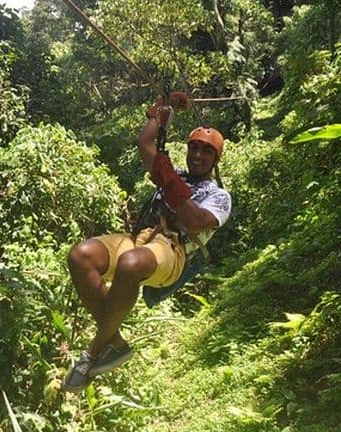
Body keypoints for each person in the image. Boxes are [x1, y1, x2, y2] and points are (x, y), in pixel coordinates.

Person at [62, 95, 232, 392]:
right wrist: (161, 111)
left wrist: (169, 182)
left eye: (207, 152)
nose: (198, 155)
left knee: (131, 263)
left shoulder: (219, 196)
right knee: (81, 255)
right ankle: (115, 343)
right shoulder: (174, 172)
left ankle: (91, 352)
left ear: (215, 159)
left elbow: (194, 221)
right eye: (194, 147)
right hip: (139, 238)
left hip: (172, 249)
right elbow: (145, 144)